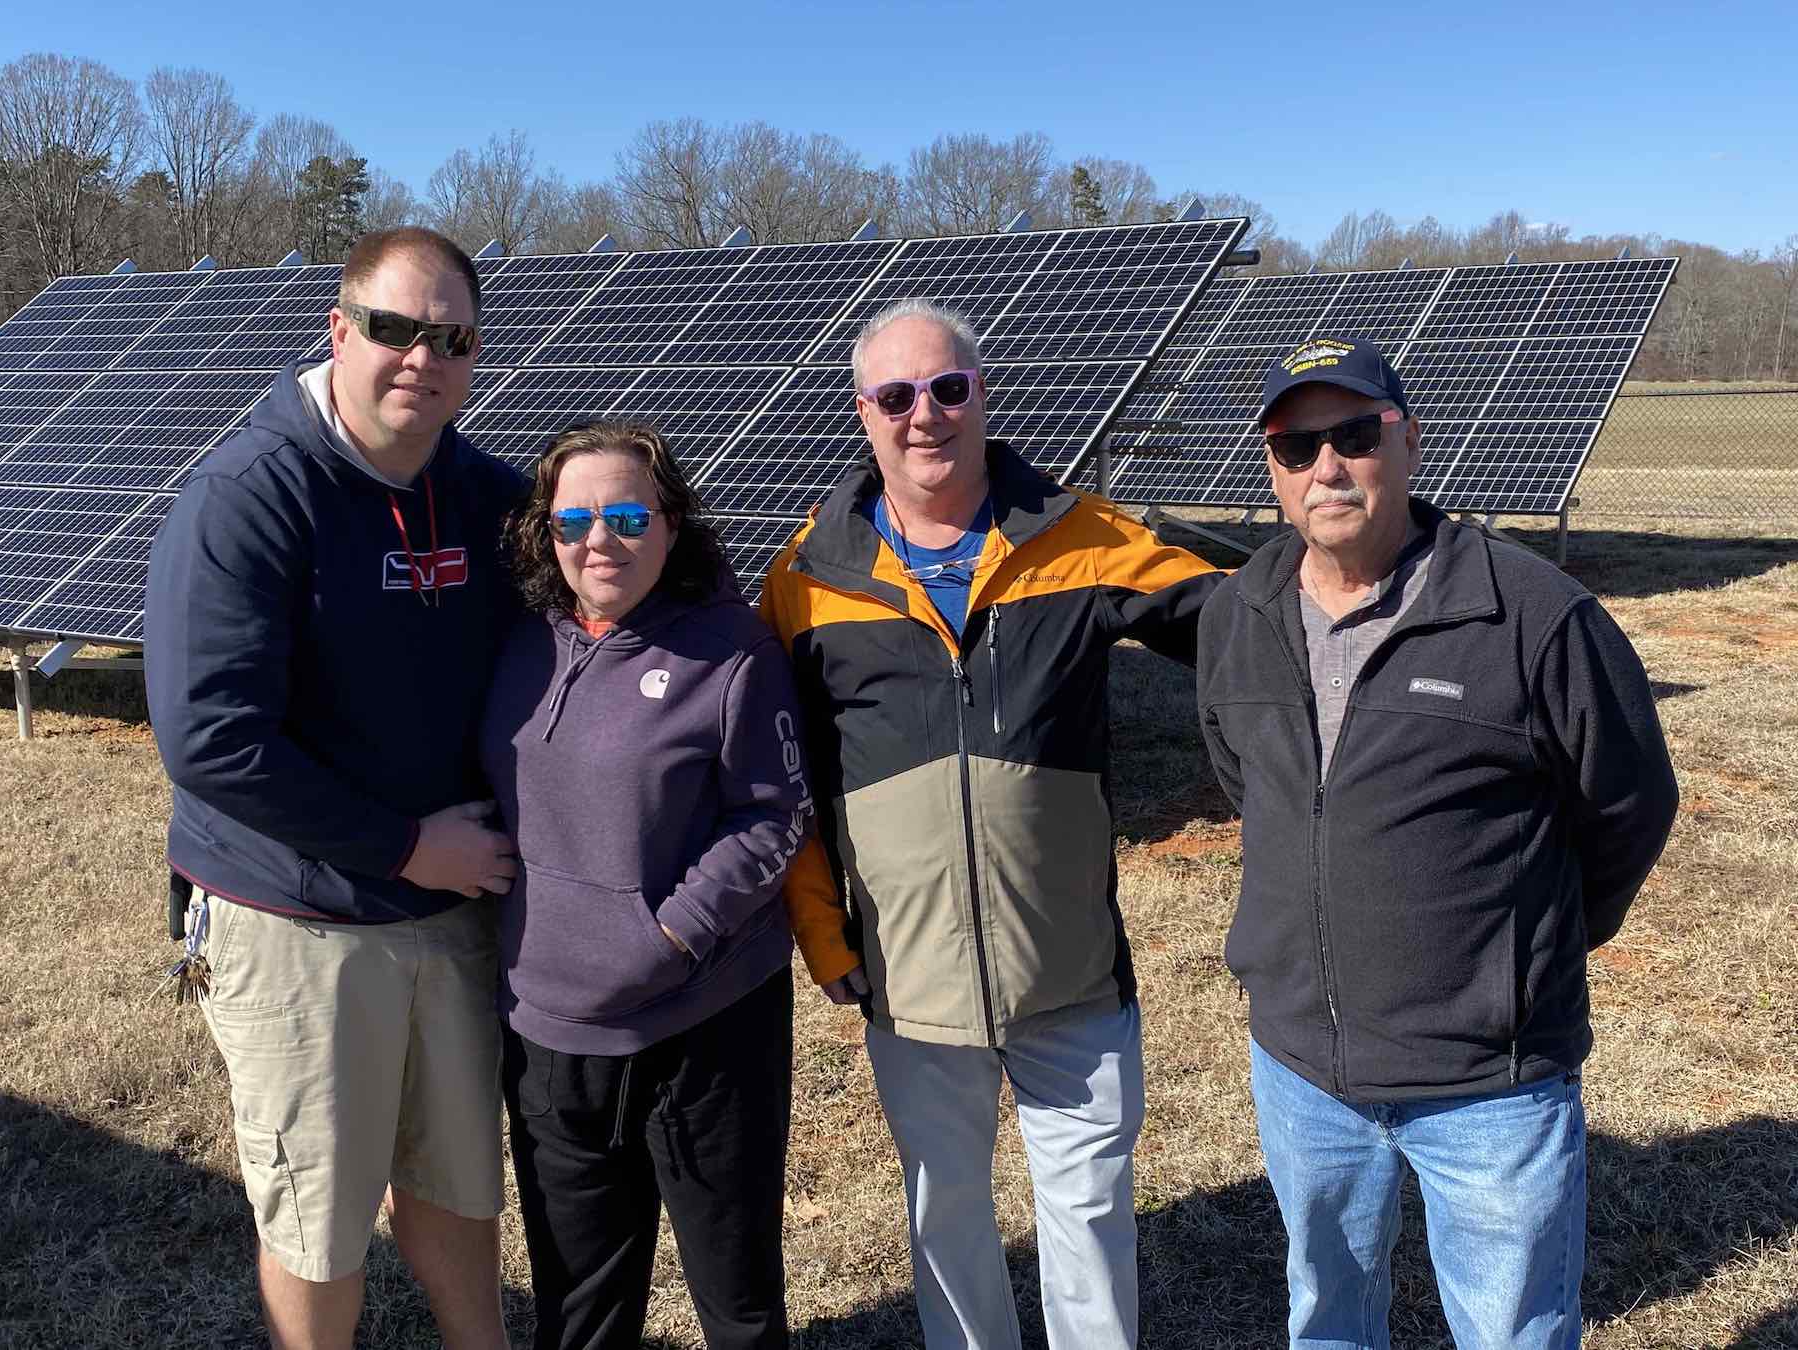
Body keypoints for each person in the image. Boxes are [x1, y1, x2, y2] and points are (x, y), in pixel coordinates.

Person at [1194, 335, 1679, 1349]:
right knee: (1327, 1317)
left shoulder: (1532, 613)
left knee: (1514, 1330)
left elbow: (1629, 805)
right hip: (1302, 1068)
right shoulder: (1237, 613)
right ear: (1271, 469)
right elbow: (1252, 785)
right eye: (1295, 447)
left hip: (1489, 1081)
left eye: (1354, 434)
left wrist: (1525, 952)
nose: (1326, 466)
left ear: (1408, 440)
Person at [759, 299, 1226, 1349]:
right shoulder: (804, 577)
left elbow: (1238, 623)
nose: (925, 415)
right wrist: (822, 934)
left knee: (1093, 1212)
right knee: (946, 1216)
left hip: (1069, 972)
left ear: (984, 394)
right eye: (895, 396)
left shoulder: (1083, 535)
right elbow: (774, 781)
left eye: (948, 388)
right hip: (908, 979)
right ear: (862, 413)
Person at [145, 226, 522, 1350]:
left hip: (452, 915)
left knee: (461, 1187)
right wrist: (407, 845)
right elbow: (212, 740)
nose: (423, 358)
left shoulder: (487, 494)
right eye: (396, 329)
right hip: (300, 922)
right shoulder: (250, 495)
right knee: (319, 1217)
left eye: (451, 337)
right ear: (340, 329)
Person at [479, 421, 812, 1350]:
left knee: (737, 1302)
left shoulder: (732, 654)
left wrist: (669, 937)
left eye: (627, 516)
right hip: (548, 1032)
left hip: (702, 1026)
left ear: (672, 523)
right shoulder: (519, 645)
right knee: (580, 1306)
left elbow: (775, 814)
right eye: (572, 519)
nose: (598, 541)